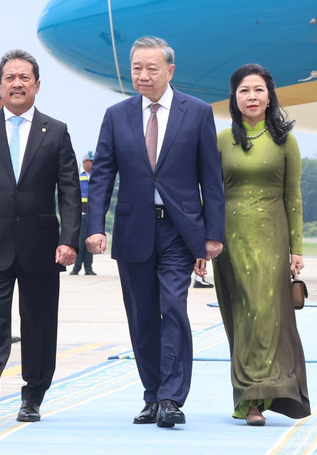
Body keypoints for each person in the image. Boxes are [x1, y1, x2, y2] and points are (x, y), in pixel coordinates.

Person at [86, 36, 225, 428]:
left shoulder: (196, 113)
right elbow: (101, 178)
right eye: (136, 69)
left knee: (173, 309)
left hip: (180, 232)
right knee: (142, 317)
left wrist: (213, 234)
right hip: (133, 229)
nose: (143, 76)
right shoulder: (117, 115)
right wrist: (95, 226)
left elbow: (210, 179)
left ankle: (171, 398)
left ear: (170, 71)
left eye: (151, 68)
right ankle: (152, 395)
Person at [0, 49, 80, 425]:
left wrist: (70, 239)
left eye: (25, 77)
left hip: (41, 245)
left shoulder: (55, 131)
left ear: (37, 85)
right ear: (0, 85)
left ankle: (33, 396)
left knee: (39, 323)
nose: (17, 84)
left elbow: (69, 191)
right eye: (10, 77)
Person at [210, 63, 310, 426]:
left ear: (270, 96)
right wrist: (204, 243)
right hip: (229, 239)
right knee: (241, 317)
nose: (251, 97)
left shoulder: (286, 141)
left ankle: (259, 397)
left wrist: (296, 249)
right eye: (243, 91)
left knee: (266, 315)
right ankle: (247, 395)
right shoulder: (221, 140)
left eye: (258, 90)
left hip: (272, 236)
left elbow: (293, 197)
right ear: (234, 99)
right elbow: (209, 194)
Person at [71, 151, 95, 275]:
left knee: (90, 242)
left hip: (91, 214)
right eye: (92, 162)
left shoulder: (95, 175)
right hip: (80, 213)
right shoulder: (77, 174)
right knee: (79, 242)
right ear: (85, 162)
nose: (94, 164)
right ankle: (76, 267)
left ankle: (89, 268)